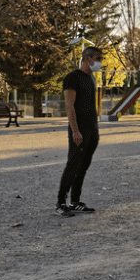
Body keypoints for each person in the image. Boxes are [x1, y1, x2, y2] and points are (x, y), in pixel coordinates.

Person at [57, 46, 103, 217]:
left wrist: (94, 131)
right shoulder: (72, 78)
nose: (100, 62)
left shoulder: (90, 79)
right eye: (98, 58)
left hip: (92, 130)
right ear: (86, 59)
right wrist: (76, 131)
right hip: (79, 131)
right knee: (73, 165)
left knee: (83, 167)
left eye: (101, 59)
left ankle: (75, 201)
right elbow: (70, 106)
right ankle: (61, 203)